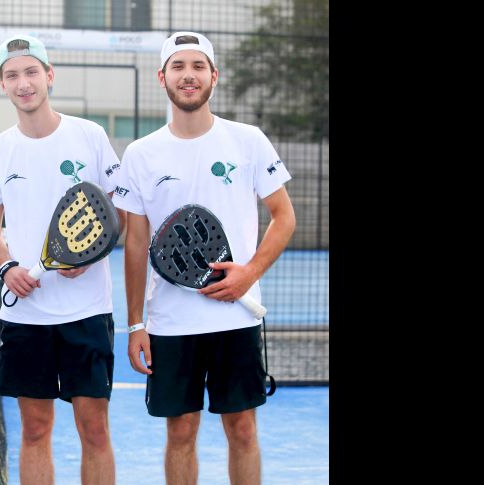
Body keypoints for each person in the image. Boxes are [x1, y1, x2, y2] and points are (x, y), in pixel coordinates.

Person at [113, 31, 296, 485]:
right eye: (178, 66)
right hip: (172, 324)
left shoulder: (248, 140)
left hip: (236, 317)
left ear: (214, 75)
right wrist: (136, 324)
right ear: (163, 77)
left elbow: (284, 217)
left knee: (242, 429)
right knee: (181, 432)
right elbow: (136, 244)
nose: (188, 75)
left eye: (198, 66)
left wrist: (249, 272)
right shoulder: (140, 154)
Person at [0, 34, 125, 485]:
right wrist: (8, 268)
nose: (24, 83)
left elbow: (118, 215)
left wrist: (93, 254)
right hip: (28, 316)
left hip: (88, 312)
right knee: (35, 430)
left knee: (94, 429)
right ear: (3, 84)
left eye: (31, 71)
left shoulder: (90, 136)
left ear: (49, 75)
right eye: (13, 75)